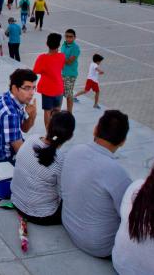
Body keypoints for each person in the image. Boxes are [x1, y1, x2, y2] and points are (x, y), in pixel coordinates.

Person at [61, 110, 132, 258]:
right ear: (123, 141)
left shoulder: (74, 151)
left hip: (69, 225)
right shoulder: (118, 174)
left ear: (95, 129)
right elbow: (129, 217)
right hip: (100, 246)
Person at [11, 110, 75, 225]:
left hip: (16, 202)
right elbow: (63, 194)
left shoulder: (32, 139)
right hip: (40, 215)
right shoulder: (61, 161)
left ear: (48, 126)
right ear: (70, 136)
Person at [0, 69, 38, 163]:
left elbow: (24, 129)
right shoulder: (10, 114)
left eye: (33, 88)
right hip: (0, 159)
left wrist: (32, 115)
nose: (32, 93)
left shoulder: (7, 98)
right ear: (14, 88)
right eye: (27, 88)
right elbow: (19, 150)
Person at [33, 33, 66, 129]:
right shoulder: (62, 56)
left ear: (47, 43)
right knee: (57, 110)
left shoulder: (42, 58)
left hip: (47, 89)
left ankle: (48, 133)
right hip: (59, 88)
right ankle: (56, 132)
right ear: (59, 45)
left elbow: (35, 71)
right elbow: (61, 67)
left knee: (47, 111)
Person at [61, 29, 81, 112]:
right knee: (61, 93)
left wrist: (59, 58)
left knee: (68, 94)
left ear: (74, 37)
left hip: (70, 74)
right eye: (67, 36)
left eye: (71, 37)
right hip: (62, 73)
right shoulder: (63, 45)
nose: (68, 38)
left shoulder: (75, 48)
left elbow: (70, 61)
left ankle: (70, 113)